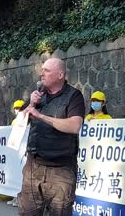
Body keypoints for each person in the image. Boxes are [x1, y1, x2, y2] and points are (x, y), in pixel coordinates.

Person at [20, 58, 85, 216]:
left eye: (47, 70)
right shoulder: (37, 95)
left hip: (60, 170)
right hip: (33, 166)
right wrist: (31, 105)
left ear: (60, 75)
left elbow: (74, 125)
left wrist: (41, 116)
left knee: (60, 212)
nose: (41, 73)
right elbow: (19, 121)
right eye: (42, 70)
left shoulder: (73, 96)